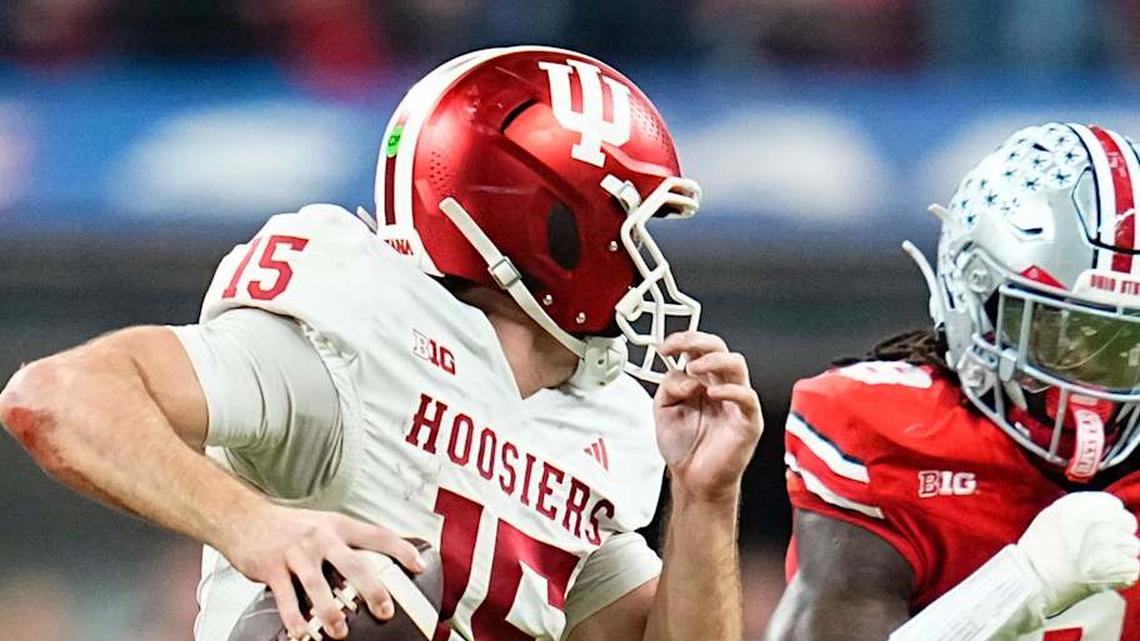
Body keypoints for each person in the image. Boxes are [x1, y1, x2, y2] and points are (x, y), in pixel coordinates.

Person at [0, 46, 763, 641]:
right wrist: (255, 526)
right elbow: (57, 396)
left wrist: (705, 498)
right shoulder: (359, 337)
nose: (643, 267)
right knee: (371, 601)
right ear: (554, 228)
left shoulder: (601, 421)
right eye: (629, 233)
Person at [765, 122, 1140, 641]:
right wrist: (1018, 587)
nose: (1092, 369)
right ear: (976, 299)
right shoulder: (888, 429)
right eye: (1057, 330)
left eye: (1126, 341)